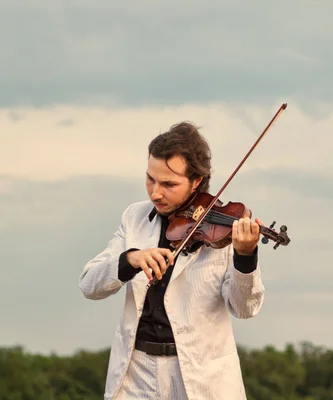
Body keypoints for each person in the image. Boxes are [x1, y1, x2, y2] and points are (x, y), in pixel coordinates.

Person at [78, 122, 265, 399]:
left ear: (196, 182)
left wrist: (245, 256)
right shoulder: (134, 217)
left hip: (200, 376)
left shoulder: (224, 233)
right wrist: (131, 260)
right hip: (136, 371)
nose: (155, 193)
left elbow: (245, 308)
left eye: (169, 184)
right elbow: (89, 285)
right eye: (150, 179)